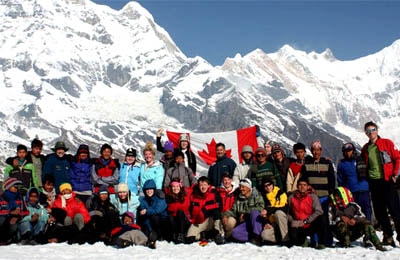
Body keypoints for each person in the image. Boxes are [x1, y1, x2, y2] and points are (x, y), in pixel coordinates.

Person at [361, 121, 400, 246]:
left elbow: (397, 158)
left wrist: (395, 174)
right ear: (366, 133)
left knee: (394, 209)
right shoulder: (365, 148)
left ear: (377, 130)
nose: (371, 133)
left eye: (372, 129)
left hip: (387, 180)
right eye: (368, 131)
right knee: (379, 211)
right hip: (374, 182)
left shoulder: (387, 143)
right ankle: (388, 235)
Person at [301, 140, 335, 247]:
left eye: (318, 150)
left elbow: (331, 180)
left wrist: (331, 195)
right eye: (314, 150)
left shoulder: (327, 163)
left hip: (325, 197)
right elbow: (304, 180)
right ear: (311, 151)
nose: (316, 152)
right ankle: (314, 240)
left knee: (325, 219)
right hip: (312, 198)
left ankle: (326, 240)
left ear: (321, 151)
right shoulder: (307, 164)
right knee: (314, 219)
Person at [330, 186, 385, 251]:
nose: (336, 198)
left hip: (354, 231)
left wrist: (355, 219)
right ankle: (345, 245)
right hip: (340, 233)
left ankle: (378, 245)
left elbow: (362, 216)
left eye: (338, 196)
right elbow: (330, 221)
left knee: (367, 225)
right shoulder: (332, 207)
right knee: (341, 224)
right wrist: (340, 218)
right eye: (335, 196)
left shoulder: (354, 205)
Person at [221, 178, 265, 244]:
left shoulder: (256, 195)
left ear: (248, 188)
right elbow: (233, 211)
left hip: (256, 222)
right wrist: (225, 215)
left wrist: (245, 213)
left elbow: (261, 207)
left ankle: (257, 236)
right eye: (240, 187)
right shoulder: (239, 199)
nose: (241, 189)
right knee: (235, 233)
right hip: (246, 223)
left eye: (243, 187)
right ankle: (252, 238)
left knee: (254, 213)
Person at [287, 176, 326, 249]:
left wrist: (306, 221)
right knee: (296, 241)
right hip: (298, 224)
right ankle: (302, 240)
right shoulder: (291, 197)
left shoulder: (312, 197)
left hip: (310, 223)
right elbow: (288, 212)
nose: (302, 187)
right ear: (297, 186)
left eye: (304, 185)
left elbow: (319, 211)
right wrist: (292, 221)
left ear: (308, 186)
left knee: (322, 219)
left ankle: (321, 242)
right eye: (300, 185)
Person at [337, 142, 372, 222]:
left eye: (349, 150)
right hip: (350, 193)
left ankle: (368, 230)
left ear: (353, 150)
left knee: (366, 212)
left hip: (364, 190)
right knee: (352, 213)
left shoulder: (362, 159)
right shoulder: (341, 164)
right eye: (345, 151)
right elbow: (340, 180)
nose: (348, 152)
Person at [186, 176, 224, 244]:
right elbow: (188, 209)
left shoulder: (214, 193)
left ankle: (217, 233)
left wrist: (205, 208)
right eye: (201, 185)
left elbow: (219, 205)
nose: (203, 187)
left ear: (209, 185)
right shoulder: (193, 195)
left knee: (216, 212)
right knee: (190, 238)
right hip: (198, 221)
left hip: (211, 220)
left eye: (205, 185)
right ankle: (204, 235)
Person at [137, 179, 168, 245]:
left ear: (154, 190)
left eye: (151, 189)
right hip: (149, 223)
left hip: (162, 222)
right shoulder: (143, 200)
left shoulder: (160, 198)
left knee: (154, 216)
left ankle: (160, 235)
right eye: (147, 190)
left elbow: (157, 210)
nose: (149, 191)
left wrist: (147, 211)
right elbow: (144, 214)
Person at [260, 177, 289, 245]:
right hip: (272, 221)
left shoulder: (280, 193)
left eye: (269, 185)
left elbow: (283, 207)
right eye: (265, 186)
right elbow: (264, 213)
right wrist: (266, 222)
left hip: (283, 219)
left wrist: (269, 210)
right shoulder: (264, 196)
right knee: (264, 235)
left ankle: (286, 240)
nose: (268, 187)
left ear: (272, 184)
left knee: (278, 213)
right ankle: (279, 238)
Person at [0, 178, 29, 244]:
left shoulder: (20, 197)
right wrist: (10, 213)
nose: (16, 188)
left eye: (17, 186)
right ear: (8, 187)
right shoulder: (2, 198)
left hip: (16, 218)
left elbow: (25, 211)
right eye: (14, 186)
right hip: (4, 218)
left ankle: (8, 239)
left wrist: (18, 215)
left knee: (14, 226)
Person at [165, 177, 192, 244]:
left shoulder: (185, 195)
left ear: (180, 186)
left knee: (180, 212)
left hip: (185, 220)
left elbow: (184, 207)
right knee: (170, 216)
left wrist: (174, 206)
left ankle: (181, 234)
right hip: (175, 220)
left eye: (177, 186)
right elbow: (169, 209)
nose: (175, 188)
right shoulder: (168, 197)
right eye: (173, 186)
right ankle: (174, 234)